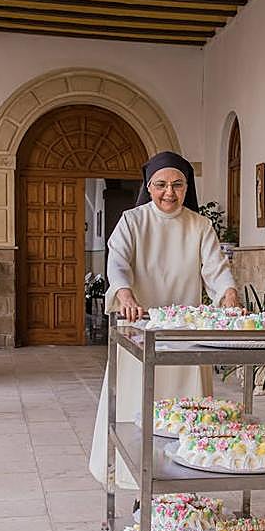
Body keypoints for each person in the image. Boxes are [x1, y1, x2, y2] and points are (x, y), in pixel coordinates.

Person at [88, 150, 240, 488]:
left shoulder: (200, 225)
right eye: (160, 185)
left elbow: (216, 269)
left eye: (177, 185)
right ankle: (136, 483)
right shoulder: (132, 221)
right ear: (148, 186)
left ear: (187, 187)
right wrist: (125, 295)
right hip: (139, 331)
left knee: (188, 418)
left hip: (185, 338)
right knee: (136, 413)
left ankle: (183, 487)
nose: (169, 193)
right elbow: (118, 263)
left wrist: (228, 295)